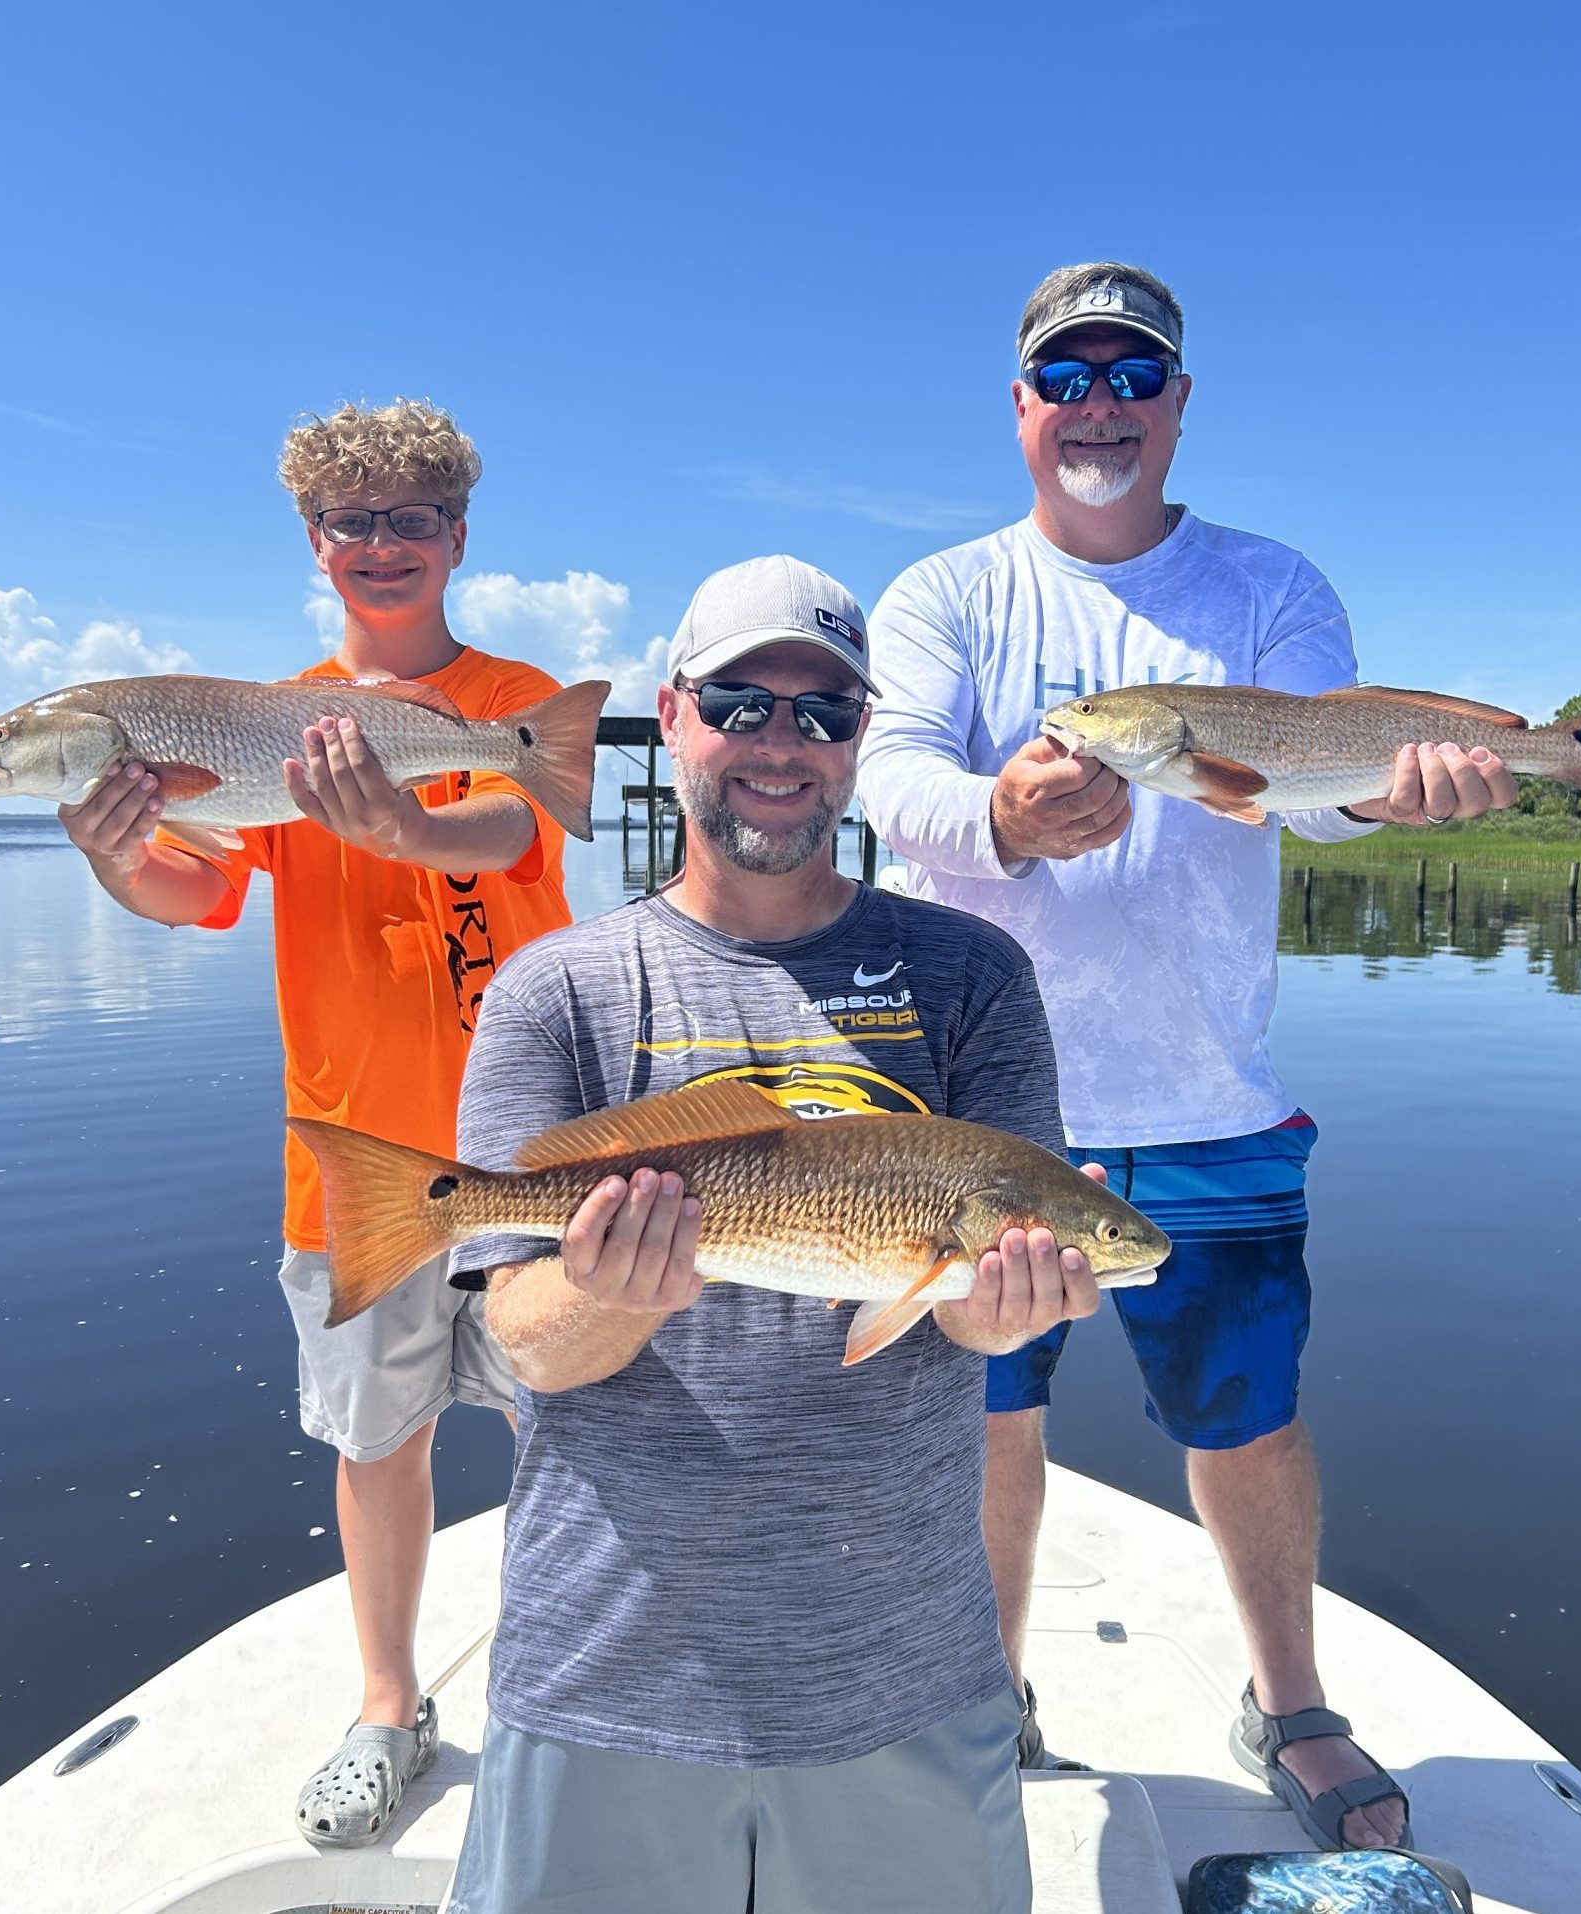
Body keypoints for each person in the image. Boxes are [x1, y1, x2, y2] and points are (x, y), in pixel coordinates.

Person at [855, 262, 1519, 1852]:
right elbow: (887, 777)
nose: (1097, 405)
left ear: (1177, 403)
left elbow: (1302, 775)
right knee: (979, 1421)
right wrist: (1002, 816)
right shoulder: (944, 595)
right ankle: (984, 1688)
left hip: (1208, 1091)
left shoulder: (1272, 588)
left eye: (1129, 375)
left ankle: (1286, 1697)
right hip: (979, 1108)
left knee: (1250, 1420)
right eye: (1063, 377)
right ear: (1020, 407)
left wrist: (1383, 791)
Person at [442, 555, 1102, 1914]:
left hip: (905, 1671)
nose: (780, 744)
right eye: (742, 703)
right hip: (603, 1673)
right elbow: (525, 1344)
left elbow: (968, 1320)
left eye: (823, 712)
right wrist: (613, 1293)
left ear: (863, 738)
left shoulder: (971, 973)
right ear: (672, 715)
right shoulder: (554, 986)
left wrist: (1012, 1296)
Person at [56, 399, 583, 1847]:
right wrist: (115, 862)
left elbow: (521, 832)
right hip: (350, 1160)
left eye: (410, 516)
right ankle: (384, 1700)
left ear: (457, 536)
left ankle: (572, 1691)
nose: (381, 543)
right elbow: (199, 889)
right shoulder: (262, 719)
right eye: (351, 521)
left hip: (528, 1151)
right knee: (375, 1438)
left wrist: (406, 825)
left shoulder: (513, 695)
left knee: (585, 1423)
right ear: (313, 542)